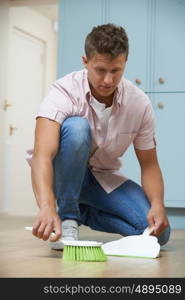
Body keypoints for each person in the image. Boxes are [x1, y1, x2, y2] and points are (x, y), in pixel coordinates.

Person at [27, 23, 170, 250]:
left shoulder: (139, 103)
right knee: (77, 128)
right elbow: (42, 155)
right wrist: (46, 206)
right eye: (100, 70)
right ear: (86, 62)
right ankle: (68, 216)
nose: (108, 80)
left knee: (156, 234)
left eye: (116, 71)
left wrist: (158, 204)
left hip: (102, 179)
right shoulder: (63, 92)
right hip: (63, 174)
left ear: (124, 63)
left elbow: (150, 165)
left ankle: (81, 215)